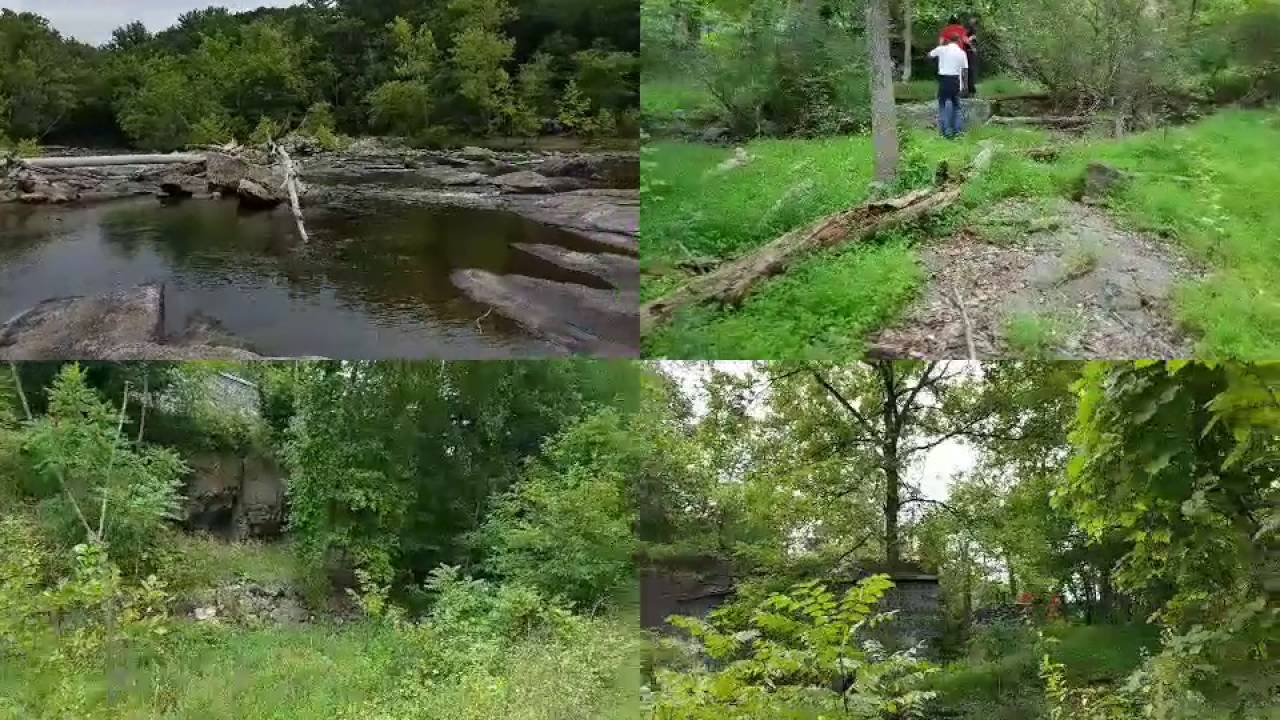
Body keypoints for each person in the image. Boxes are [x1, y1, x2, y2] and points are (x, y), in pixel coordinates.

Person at [928, 35, 968, 139]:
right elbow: (964, 72)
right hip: (955, 81)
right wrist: (964, 88)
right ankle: (958, 131)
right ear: (958, 41)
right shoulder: (962, 53)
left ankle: (945, 131)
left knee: (942, 106)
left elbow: (929, 55)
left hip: (944, 80)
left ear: (948, 40)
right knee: (956, 106)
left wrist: (940, 45)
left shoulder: (942, 49)